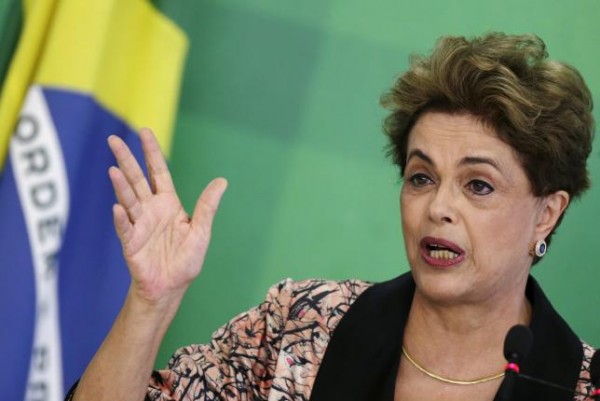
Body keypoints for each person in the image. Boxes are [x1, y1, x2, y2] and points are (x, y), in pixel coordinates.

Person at [67, 32, 596, 401]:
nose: (438, 208)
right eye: (421, 177)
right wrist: (150, 302)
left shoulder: (584, 386)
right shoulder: (301, 325)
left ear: (547, 213)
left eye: (478, 185)